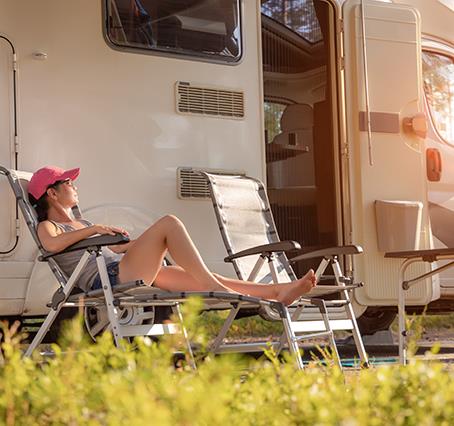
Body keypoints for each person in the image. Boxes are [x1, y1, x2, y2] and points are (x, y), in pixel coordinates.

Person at [28, 165, 316, 305]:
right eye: (68, 182)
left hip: (119, 268)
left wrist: (142, 242)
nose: (74, 186)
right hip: (108, 279)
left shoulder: (82, 222)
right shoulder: (49, 226)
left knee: (215, 279)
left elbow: (114, 250)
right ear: (52, 194)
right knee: (169, 223)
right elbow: (51, 244)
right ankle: (224, 293)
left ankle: (277, 293)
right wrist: (95, 229)